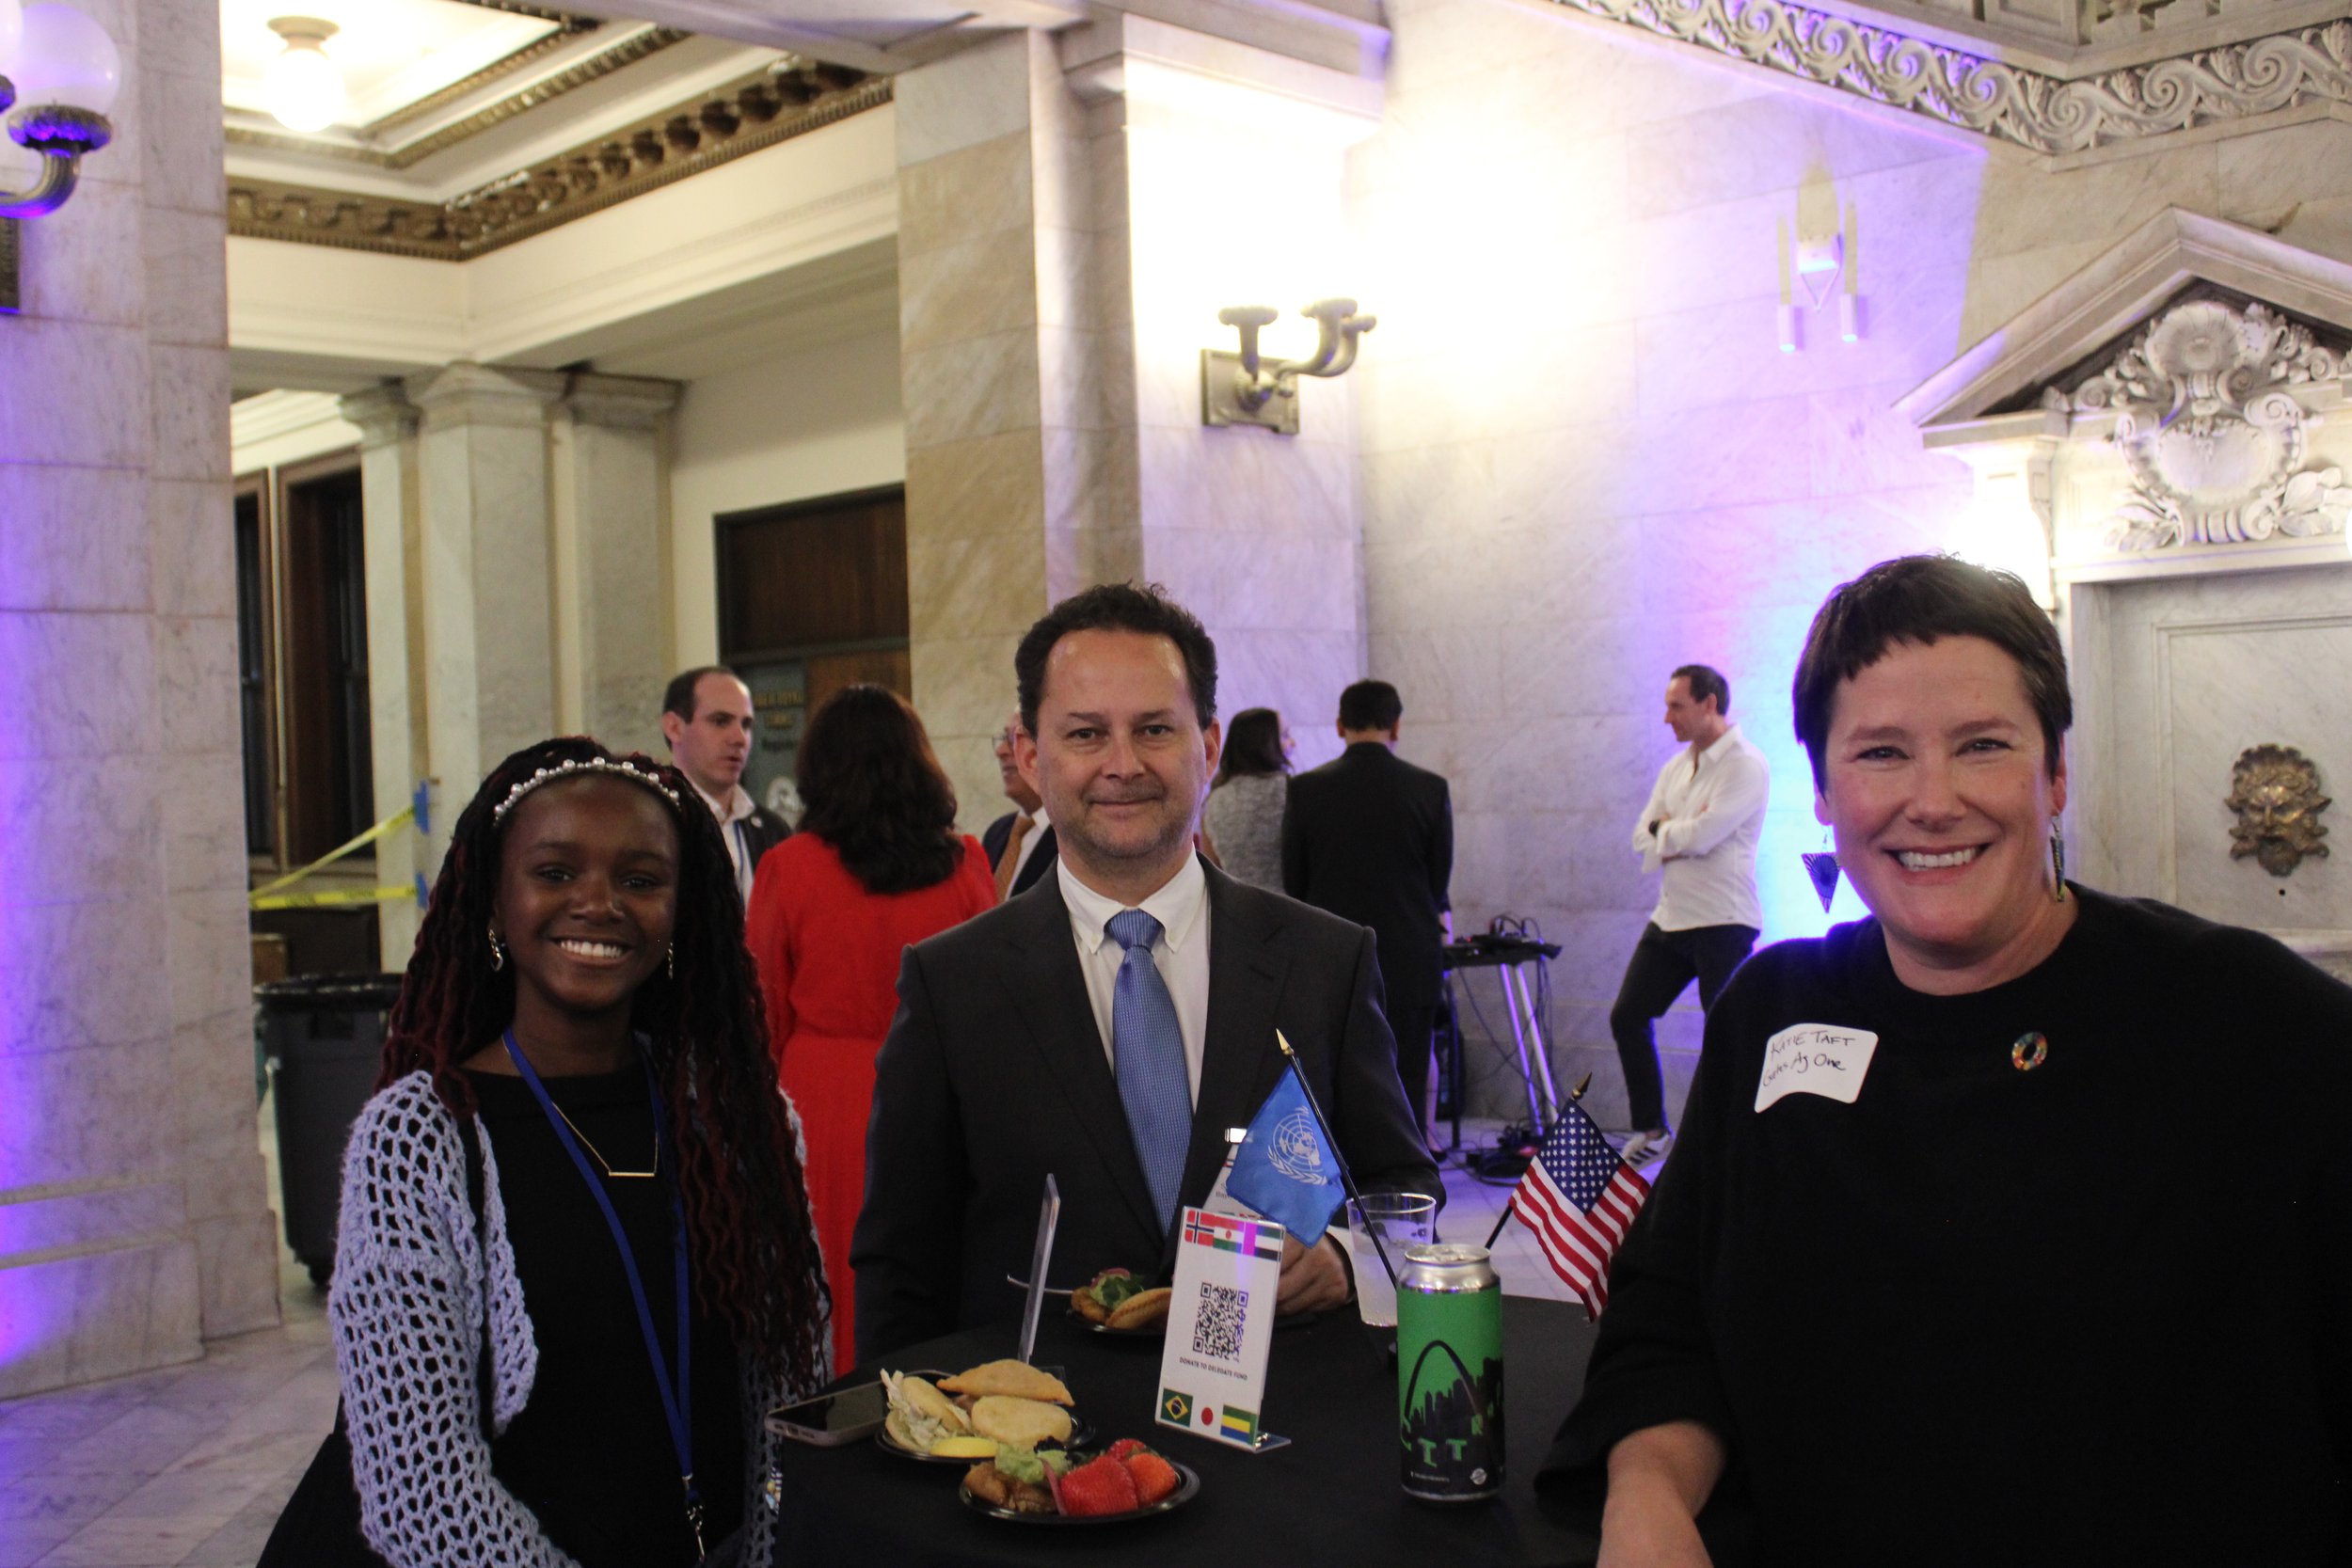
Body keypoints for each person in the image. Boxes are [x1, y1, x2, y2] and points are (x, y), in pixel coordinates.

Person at [1544, 557, 2352, 1566]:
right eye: (1881, 753)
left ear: (2054, 774)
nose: (1932, 801)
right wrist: (1647, 1500)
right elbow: (1669, 1320)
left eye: (1982, 745)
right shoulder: (1770, 1011)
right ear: (1824, 792)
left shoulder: (2250, 1021)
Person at [850, 583, 1438, 1363]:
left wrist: (1341, 1253)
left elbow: (1404, 1189)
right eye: (1086, 733)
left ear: (1210, 745)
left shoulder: (1325, 960)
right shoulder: (951, 984)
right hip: (1046, 1425)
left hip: (1284, 1411)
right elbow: (901, 1267)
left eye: (1155, 729)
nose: (1123, 765)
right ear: (1031, 755)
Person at [287, 738, 830, 1568]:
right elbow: (421, 1489)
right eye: (555, 872)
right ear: (495, 903)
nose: (598, 902)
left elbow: (784, 1401)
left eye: (641, 879)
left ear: (680, 911)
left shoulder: (742, 1124)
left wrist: (767, 1555)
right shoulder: (418, 1141)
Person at [744, 686, 994, 1371]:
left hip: (821, 1102)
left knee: (828, 1287)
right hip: (936, 1096)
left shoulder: (788, 866)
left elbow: (762, 1011)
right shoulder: (966, 863)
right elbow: (988, 1003)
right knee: (927, 1280)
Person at [1610, 664, 1769, 1165]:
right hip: (1671, 918)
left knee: (1725, 1033)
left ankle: (1725, 1140)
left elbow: (1703, 836)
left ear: (1709, 704)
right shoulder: (1675, 769)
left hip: (1724, 919)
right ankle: (1653, 1131)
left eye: (1676, 706)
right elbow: (1641, 837)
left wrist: (1669, 831)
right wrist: (1675, 832)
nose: (1667, 718)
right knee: (1627, 1016)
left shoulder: (1745, 765)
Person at [1280, 683, 1453, 1147]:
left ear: (1340, 726)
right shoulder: (1430, 789)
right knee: (1407, 1074)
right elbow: (1438, 884)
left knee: (1331, 1077)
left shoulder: (1305, 790)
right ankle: (1408, 1174)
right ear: (1396, 726)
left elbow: (1294, 882)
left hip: (1329, 957)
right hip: (1410, 953)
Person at [661, 666, 790, 905]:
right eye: (720, 721)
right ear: (674, 728)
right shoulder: (653, 822)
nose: (740, 738)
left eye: (746, 725)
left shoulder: (773, 831)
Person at [1201, 706, 1293, 891]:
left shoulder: (1215, 801)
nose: (1293, 743)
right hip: (1293, 905)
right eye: (1284, 736)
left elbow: (1211, 871)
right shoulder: (1291, 791)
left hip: (1238, 905)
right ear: (1266, 743)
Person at [979, 711, 1057, 899]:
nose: (1001, 751)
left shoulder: (1070, 837)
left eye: (1014, 739)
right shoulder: (997, 832)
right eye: (1003, 738)